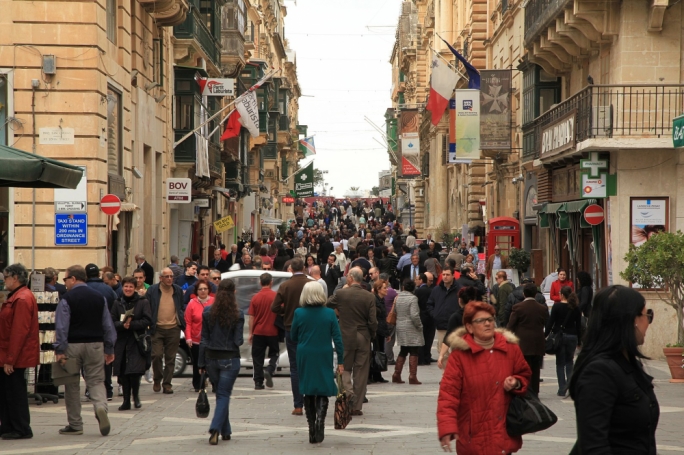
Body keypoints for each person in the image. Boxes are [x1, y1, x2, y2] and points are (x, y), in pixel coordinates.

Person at [568, 285, 658, 454]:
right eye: (647, 315)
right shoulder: (599, 372)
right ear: (632, 320)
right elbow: (594, 445)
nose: (648, 323)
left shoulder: (629, 364)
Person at [437, 301, 531, 454]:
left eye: (490, 319)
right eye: (481, 321)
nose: (487, 323)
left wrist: (517, 382)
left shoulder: (510, 349)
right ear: (469, 327)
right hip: (472, 437)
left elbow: (525, 375)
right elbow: (448, 395)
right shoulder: (459, 356)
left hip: (503, 433)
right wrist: (447, 428)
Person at [54, 265, 117, 436]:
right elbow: (107, 324)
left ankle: (75, 424)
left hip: (73, 346)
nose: (65, 283)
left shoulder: (67, 299)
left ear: (73, 279)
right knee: (96, 381)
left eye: (65, 279)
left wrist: (60, 349)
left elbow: (61, 327)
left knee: (72, 384)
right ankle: (100, 408)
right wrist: (109, 347)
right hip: (96, 344)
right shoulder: (99, 297)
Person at [290, 282, 344, 444]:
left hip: (305, 353)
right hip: (323, 353)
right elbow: (338, 339)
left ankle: (311, 426)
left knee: (307, 389)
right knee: (322, 388)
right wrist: (341, 361)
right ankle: (320, 421)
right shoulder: (329, 313)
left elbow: (293, 335)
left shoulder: (299, 313)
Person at [198, 279, 245, 445]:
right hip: (230, 358)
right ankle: (215, 428)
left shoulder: (208, 312)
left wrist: (201, 363)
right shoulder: (237, 314)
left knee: (220, 393)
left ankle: (226, 430)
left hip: (211, 358)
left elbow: (203, 339)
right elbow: (239, 340)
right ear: (233, 293)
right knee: (224, 394)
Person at [327, 267, 377, 416]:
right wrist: (371, 334)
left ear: (350, 278)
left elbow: (328, 303)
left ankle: (348, 394)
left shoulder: (342, 294)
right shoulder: (369, 296)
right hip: (363, 336)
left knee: (345, 368)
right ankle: (357, 405)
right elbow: (373, 321)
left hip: (345, 335)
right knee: (361, 371)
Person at [0, 264, 39, 439]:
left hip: (14, 355)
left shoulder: (22, 299)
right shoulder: (17, 296)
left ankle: (20, 427)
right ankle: (8, 425)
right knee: (7, 391)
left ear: (15, 278)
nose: (4, 281)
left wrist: (10, 359)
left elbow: (18, 332)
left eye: (6, 277)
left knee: (15, 392)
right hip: (8, 353)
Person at [270, 257, 309, 415]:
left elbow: (274, 307)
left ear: (291, 269)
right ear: (304, 268)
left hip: (291, 326)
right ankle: (310, 400)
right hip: (309, 327)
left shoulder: (285, 286)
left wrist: (286, 313)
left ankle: (298, 405)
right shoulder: (311, 284)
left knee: (295, 367)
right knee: (308, 365)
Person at [110, 277, 152, 410]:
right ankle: (126, 400)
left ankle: (136, 396)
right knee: (123, 372)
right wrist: (122, 325)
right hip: (121, 342)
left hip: (136, 341)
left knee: (134, 371)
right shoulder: (117, 302)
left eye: (131, 287)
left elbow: (147, 320)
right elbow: (112, 321)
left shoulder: (142, 302)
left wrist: (132, 324)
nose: (128, 289)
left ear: (135, 288)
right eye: (126, 286)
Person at [507, 283, 549, 395]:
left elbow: (510, 326)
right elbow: (546, 323)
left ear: (523, 294)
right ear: (536, 294)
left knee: (523, 368)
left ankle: (525, 390)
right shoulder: (542, 308)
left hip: (523, 343)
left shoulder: (518, 308)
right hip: (538, 342)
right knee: (536, 369)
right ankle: (535, 392)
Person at [147, 268, 185, 394]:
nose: (169, 279)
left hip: (173, 328)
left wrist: (181, 320)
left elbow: (181, 306)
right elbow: (147, 307)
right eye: (167, 276)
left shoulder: (177, 290)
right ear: (161, 278)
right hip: (157, 328)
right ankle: (157, 378)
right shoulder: (153, 290)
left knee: (171, 358)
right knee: (156, 355)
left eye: (171, 276)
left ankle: (167, 384)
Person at [546, 286, 582, 396]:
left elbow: (550, 322)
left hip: (560, 337)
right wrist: (579, 341)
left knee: (560, 363)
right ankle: (570, 387)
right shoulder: (576, 308)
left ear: (561, 295)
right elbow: (579, 326)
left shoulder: (556, 307)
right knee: (569, 361)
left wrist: (545, 335)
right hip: (572, 336)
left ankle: (562, 388)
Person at [248, 273, 279, 390]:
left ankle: (258, 382)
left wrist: (251, 333)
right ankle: (270, 369)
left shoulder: (255, 298)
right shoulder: (276, 296)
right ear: (271, 282)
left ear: (260, 283)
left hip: (258, 331)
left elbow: (251, 317)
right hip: (273, 331)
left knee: (257, 358)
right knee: (275, 353)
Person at [391, 279, 424, 385]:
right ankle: (412, 376)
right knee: (414, 350)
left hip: (400, 326)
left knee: (403, 350)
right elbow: (414, 315)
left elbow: (395, 311)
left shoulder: (398, 297)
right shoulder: (413, 298)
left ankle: (396, 374)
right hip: (411, 327)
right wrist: (419, 325)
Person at [427, 267, 461, 366]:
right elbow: (430, 304)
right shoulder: (436, 289)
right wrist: (434, 314)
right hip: (441, 324)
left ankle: (456, 374)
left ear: (453, 276)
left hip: (455, 326)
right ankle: (447, 375)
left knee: (456, 351)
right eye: (444, 275)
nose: (445, 277)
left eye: (447, 275)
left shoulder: (459, 289)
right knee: (443, 352)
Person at [184, 281, 215, 392]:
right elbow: (188, 322)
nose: (203, 291)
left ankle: (214, 382)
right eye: (200, 289)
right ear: (196, 291)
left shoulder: (214, 302)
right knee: (198, 362)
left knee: (211, 362)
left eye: (205, 289)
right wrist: (188, 337)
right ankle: (198, 384)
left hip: (211, 339)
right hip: (196, 339)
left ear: (209, 290)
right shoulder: (192, 303)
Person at [370, 279, 390, 383]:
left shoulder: (382, 300)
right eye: (384, 288)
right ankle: (373, 374)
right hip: (376, 330)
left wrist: (387, 333)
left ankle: (377, 374)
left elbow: (383, 318)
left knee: (379, 352)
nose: (387, 289)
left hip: (381, 330)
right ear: (378, 289)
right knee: (375, 352)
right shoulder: (374, 300)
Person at [415, 273, 435, 365]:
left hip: (421, 317)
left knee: (421, 338)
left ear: (421, 280)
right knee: (429, 338)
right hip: (431, 318)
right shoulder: (431, 290)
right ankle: (427, 357)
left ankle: (421, 358)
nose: (415, 281)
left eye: (417, 279)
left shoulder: (417, 291)